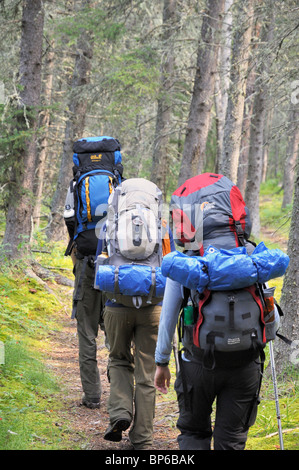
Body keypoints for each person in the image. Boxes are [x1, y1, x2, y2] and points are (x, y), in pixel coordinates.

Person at [97, 180, 175, 450]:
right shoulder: (162, 228)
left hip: (117, 305)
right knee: (147, 372)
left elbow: (100, 264)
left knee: (119, 359)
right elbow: (172, 264)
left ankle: (120, 413)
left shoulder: (109, 226)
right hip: (153, 306)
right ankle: (142, 439)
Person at [64, 184, 104, 409]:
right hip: (115, 264)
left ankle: (92, 395)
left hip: (85, 261)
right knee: (117, 331)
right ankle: (122, 394)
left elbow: (69, 220)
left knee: (87, 332)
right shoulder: (118, 181)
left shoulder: (77, 184)